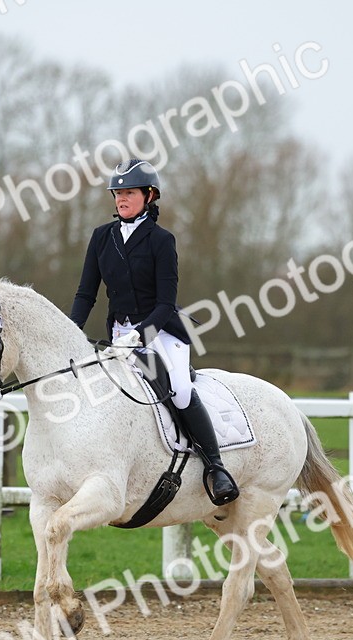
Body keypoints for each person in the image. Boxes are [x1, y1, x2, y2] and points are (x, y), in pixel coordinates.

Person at [69, 158, 239, 505]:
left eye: (129, 193)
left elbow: (165, 303)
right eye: (118, 193)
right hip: (119, 335)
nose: (121, 199)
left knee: (179, 390)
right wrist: (70, 333)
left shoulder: (161, 240)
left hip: (160, 332)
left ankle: (215, 467)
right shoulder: (102, 237)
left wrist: (140, 335)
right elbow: (86, 294)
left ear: (149, 196)